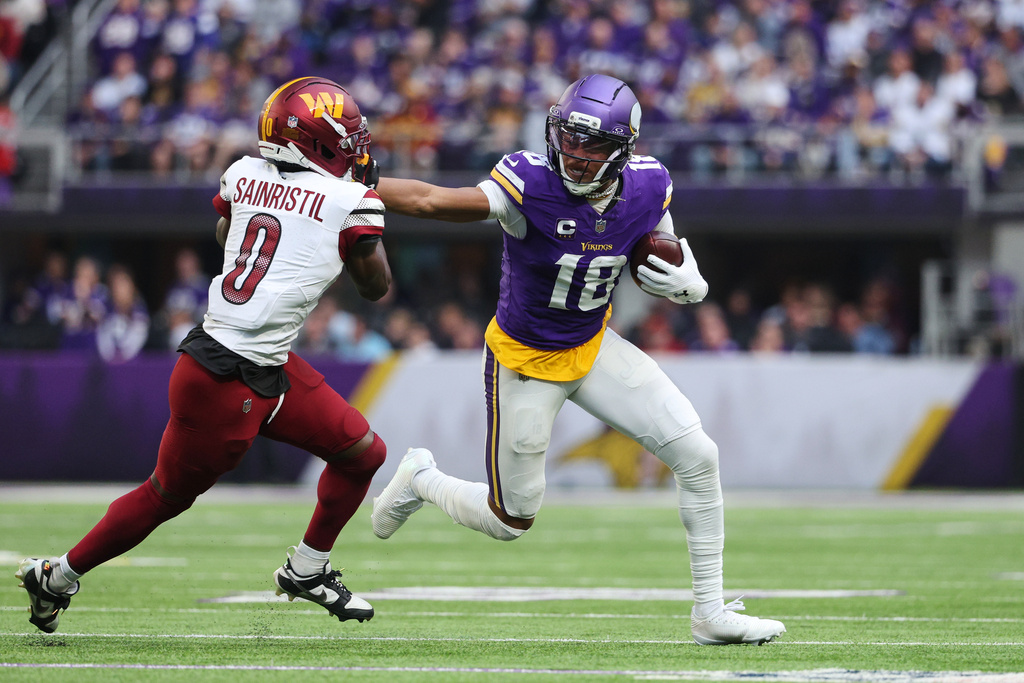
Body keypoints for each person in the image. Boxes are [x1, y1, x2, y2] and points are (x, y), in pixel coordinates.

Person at [367, 74, 786, 646]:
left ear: (625, 149)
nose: (577, 155)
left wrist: (690, 281)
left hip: (592, 345)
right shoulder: (529, 182)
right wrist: (354, 181)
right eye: (570, 139)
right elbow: (433, 200)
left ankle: (710, 613)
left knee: (698, 454)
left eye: (594, 146)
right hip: (526, 359)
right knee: (509, 520)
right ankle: (423, 478)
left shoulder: (648, 185)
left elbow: (662, 249)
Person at [16, 76, 392, 633]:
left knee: (362, 451)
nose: (356, 147)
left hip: (259, 359)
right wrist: (363, 212)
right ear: (314, 142)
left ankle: (308, 569)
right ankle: (58, 575)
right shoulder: (352, 201)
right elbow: (375, 287)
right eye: (345, 137)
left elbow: (226, 233)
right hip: (225, 378)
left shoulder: (243, 173)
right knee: (163, 497)